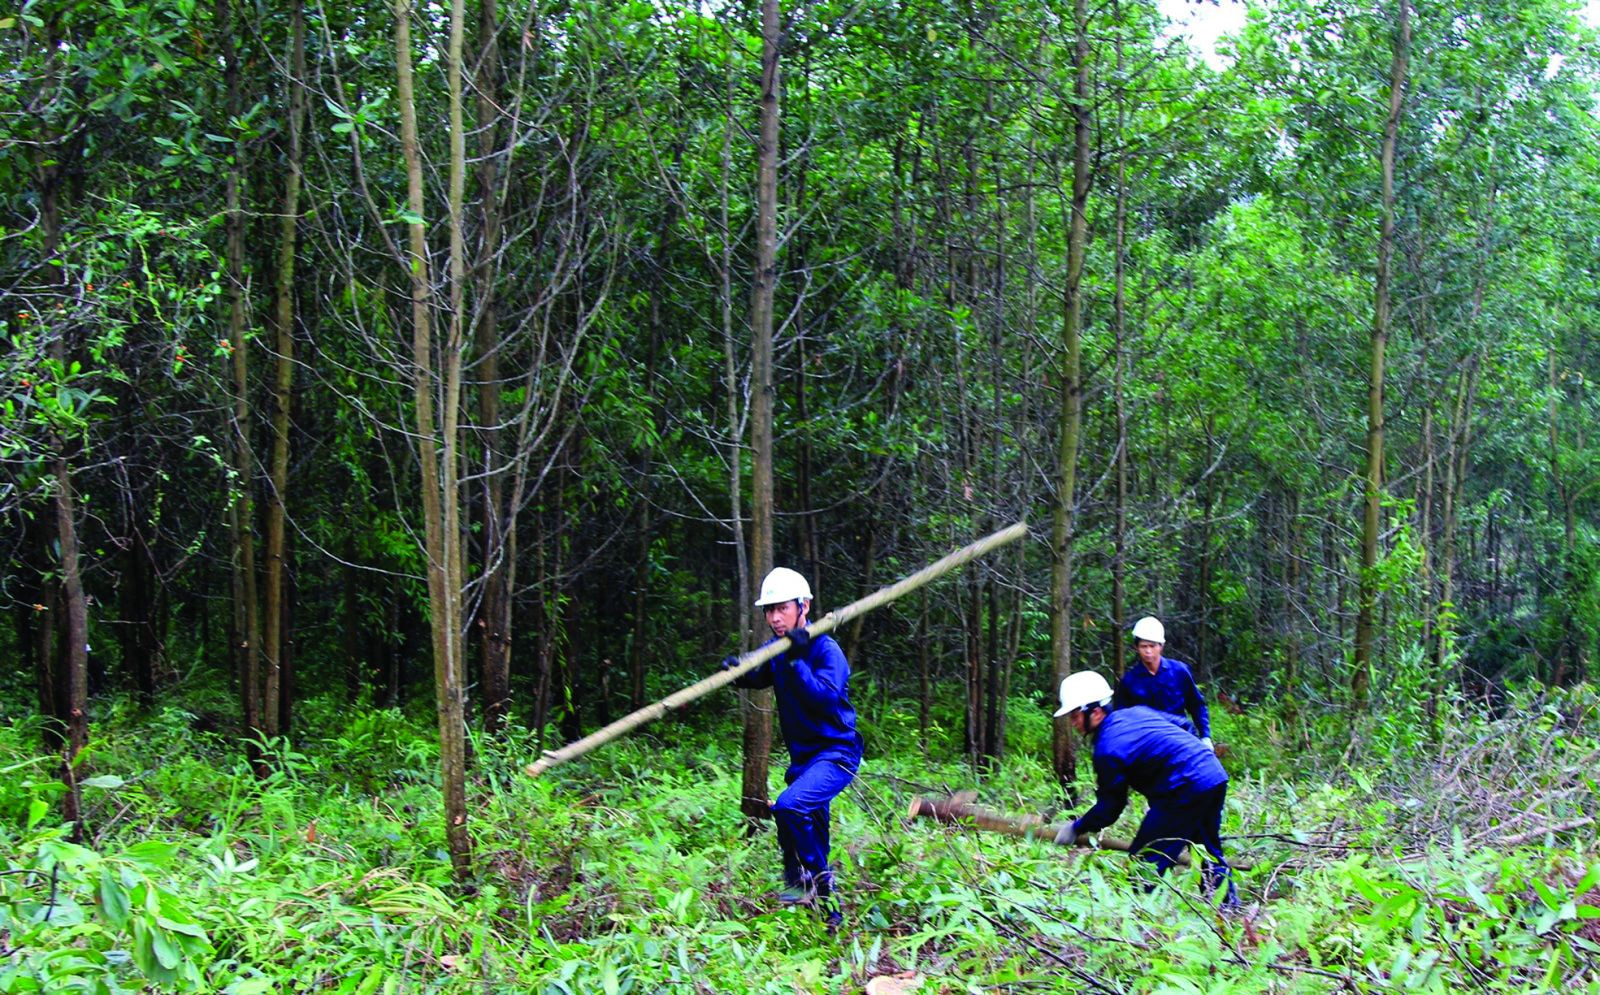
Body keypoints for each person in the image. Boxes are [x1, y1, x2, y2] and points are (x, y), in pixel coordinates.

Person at [723, 567, 863, 916]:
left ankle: (812, 883)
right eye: (769, 610)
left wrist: (798, 659)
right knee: (811, 831)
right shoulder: (778, 648)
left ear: (803, 605)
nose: (774, 617)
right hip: (803, 761)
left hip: (836, 755)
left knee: (788, 807)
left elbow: (823, 700)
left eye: (781, 608)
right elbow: (759, 674)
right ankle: (828, 915)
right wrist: (736, 673)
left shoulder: (827, 650)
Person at [1052, 670, 1239, 908]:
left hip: (1184, 788)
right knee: (1206, 848)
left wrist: (1076, 827)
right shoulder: (1135, 713)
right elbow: (1185, 725)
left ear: (1096, 711)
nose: (1073, 723)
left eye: (1076, 715)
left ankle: (1141, 924)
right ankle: (1227, 912)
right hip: (1212, 775)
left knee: (1146, 861)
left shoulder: (1107, 749)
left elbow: (1111, 807)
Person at [1114, 616, 1214, 752]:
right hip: (1149, 747)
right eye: (1144, 646)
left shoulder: (1179, 672)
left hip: (1181, 741)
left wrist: (1205, 736)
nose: (1148, 651)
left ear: (1161, 646)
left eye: (1152, 646)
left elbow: (1196, 705)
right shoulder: (1129, 682)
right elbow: (1122, 720)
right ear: (1136, 647)